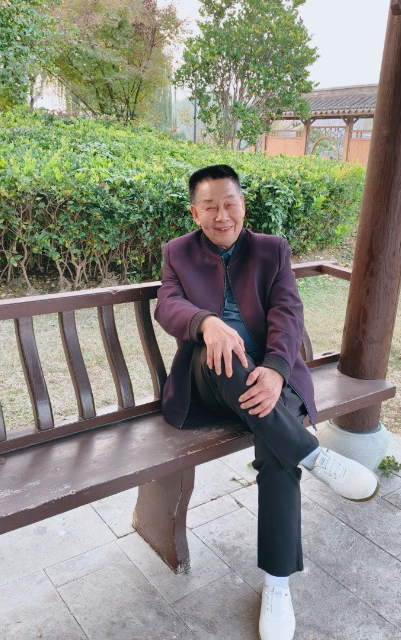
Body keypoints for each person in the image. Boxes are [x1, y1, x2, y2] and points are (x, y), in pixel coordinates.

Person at [154, 164, 379, 640]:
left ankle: (277, 585)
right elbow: (167, 305)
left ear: (243, 204)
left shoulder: (271, 249)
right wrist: (207, 323)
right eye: (210, 207)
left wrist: (277, 368)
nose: (221, 215)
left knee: (277, 453)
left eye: (229, 203)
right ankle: (314, 455)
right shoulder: (177, 252)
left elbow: (287, 311)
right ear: (195, 213)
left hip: (272, 379)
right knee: (223, 350)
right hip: (211, 382)